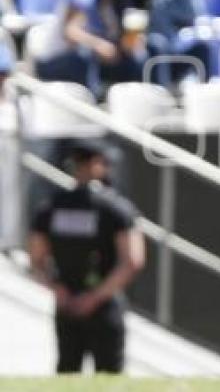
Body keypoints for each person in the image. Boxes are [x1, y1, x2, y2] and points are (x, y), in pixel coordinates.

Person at [28, 139, 145, 373]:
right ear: (96, 164)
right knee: (109, 376)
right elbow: (133, 260)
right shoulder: (115, 209)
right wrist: (94, 297)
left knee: (68, 372)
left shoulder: (51, 207)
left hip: (66, 302)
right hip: (104, 305)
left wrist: (58, 289)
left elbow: (36, 259)